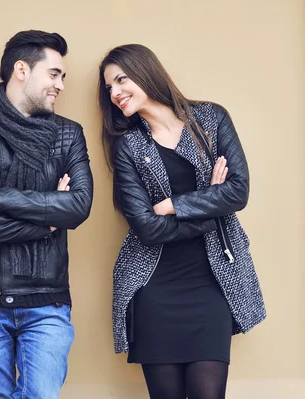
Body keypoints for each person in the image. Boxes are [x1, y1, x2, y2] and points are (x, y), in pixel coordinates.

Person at [98, 44, 266, 399]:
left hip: (213, 282)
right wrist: (211, 207)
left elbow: (238, 192)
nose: (114, 93)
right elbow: (146, 228)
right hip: (154, 288)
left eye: (120, 80)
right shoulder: (128, 146)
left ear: (145, 72)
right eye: (108, 87)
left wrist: (172, 204)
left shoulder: (211, 119)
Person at [0, 30, 93, 399]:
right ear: (21, 69)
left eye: (62, 77)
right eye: (54, 74)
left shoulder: (68, 135)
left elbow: (78, 206)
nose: (60, 84)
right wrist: (47, 221)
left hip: (46, 300)